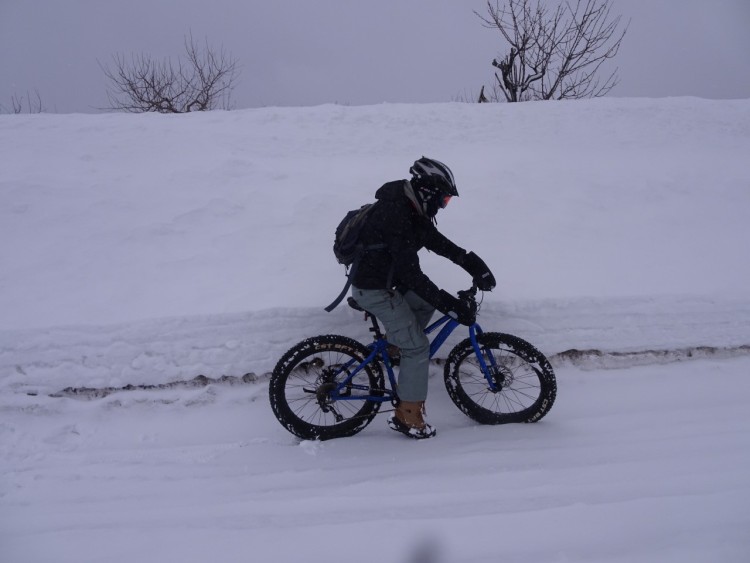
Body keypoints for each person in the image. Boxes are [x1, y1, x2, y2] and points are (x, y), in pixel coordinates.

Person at [350, 156, 496, 439]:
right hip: (374, 289)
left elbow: (438, 243)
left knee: (426, 300)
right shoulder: (396, 215)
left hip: (385, 281)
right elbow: (412, 276)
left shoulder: (409, 208)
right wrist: (451, 306)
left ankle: (395, 347)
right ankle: (409, 417)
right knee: (417, 347)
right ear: (428, 191)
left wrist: (473, 264)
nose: (443, 205)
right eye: (444, 199)